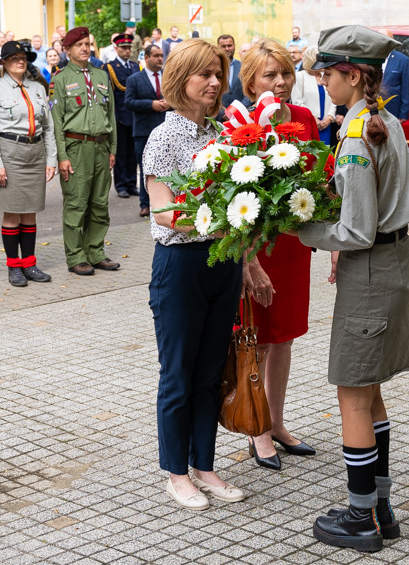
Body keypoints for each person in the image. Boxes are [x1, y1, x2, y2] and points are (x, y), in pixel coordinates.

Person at [296, 25, 409, 552]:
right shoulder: (382, 119)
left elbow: (355, 230)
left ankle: (361, 516)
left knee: (351, 392)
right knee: (370, 392)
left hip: (370, 273)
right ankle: (381, 506)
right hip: (393, 266)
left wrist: (299, 229)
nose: (323, 82)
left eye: (328, 73)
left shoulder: (354, 135)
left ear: (352, 74)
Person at [143, 38, 246, 511]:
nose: (213, 81)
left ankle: (204, 465)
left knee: (210, 374)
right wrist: (219, 216)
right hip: (182, 265)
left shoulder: (221, 132)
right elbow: (164, 213)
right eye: (203, 73)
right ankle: (176, 472)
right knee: (179, 376)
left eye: (218, 72)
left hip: (222, 261)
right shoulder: (163, 137)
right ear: (180, 79)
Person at [239, 39, 321, 471]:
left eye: (286, 72)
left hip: (294, 242)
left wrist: (331, 241)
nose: (281, 82)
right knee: (261, 340)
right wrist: (247, 256)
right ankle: (257, 430)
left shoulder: (306, 118)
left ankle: (277, 421)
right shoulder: (244, 121)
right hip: (260, 244)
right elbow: (237, 192)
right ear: (251, 82)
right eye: (270, 75)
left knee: (285, 337)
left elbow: (321, 178)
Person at [0, 41, 57, 287]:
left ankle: (30, 263)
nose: (20, 60)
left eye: (23, 57)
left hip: (34, 152)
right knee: (12, 211)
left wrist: (51, 159)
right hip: (9, 153)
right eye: (14, 57)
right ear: (3, 62)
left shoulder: (37, 88)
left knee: (30, 211)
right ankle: (13, 266)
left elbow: (48, 127)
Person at [50, 27, 119, 276]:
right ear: (66, 50)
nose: (84, 48)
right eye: (78, 45)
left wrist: (112, 148)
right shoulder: (59, 80)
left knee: (100, 203)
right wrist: (62, 156)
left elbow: (111, 114)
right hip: (76, 148)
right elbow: (56, 123)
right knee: (76, 204)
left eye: (87, 44)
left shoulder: (102, 76)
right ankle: (76, 256)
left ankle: (96, 252)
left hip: (101, 147)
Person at [126, 45, 167, 218]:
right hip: (144, 130)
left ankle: (165, 202)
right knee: (146, 168)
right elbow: (129, 102)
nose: (159, 59)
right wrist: (151, 104)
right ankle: (145, 204)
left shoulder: (168, 77)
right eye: (156, 56)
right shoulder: (134, 79)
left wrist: (169, 103)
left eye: (161, 55)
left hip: (166, 128)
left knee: (166, 166)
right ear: (147, 58)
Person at [106, 34, 140, 199]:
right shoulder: (110, 68)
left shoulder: (135, 66)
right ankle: (121, 185)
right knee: (120, 153)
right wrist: (113, 117)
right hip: (120, 116)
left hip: (135, 116)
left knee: (133, 153)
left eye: (129, 48)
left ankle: (132, 183)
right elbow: (110, 95)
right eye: (123, 48)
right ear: (116, 49)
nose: (127, 51)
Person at [291, 46, 336, 145]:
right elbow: (297, 101)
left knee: (325, 155)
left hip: (326, 125)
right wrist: (313, 118)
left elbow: (334, 96)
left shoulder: (326, 75)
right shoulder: (300, 76)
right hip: (308, 122)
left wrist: (329, 117)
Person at [379, 30, 409, 122]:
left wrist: (403, 113)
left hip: (393, 110)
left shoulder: (402, 60)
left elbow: (405, 89)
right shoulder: (371, 58)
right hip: (372, 108)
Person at [218, 34, 243, 107]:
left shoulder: (243, 67)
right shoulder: (212, 68)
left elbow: (249, 92)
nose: (227, 49)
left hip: (240, 113)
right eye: (223, 46)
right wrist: (222, 111)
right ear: (218, 47)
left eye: (229, 45)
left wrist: (238, 110)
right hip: (218, 115)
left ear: (234, 46)